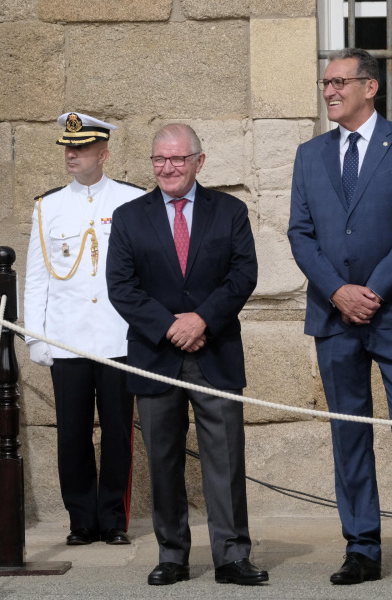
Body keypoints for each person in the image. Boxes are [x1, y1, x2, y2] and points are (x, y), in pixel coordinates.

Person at [288, 48, 392, 586]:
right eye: (325, 82)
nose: (330, 91)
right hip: (334, 317)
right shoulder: (310, 155)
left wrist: (373, 290)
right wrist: (338, 291)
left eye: (340, 81)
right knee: (349, 433)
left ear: (370, 87)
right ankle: (361, 547)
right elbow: (300, 233)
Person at [105, 123, 266, 587]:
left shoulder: (230, 211)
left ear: (199, 160)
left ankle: (232, 556)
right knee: (163, 460)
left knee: (225, 460)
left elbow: (243, 274)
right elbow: (121, 287)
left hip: (215, 352)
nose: (168, 168)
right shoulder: (130, 216)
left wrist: (202, 320)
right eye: (160, 160)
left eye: (178, 159)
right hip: (156, 355)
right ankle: (172, 554)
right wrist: (171, 326)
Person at [24, 112, 144, 547]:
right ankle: (80, 518)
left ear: (103, 153)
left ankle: (113, 518)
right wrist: (35, 335)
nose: (72, 154)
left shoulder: (133, 201)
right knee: (72, 433)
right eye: (68, 148)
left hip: (117, 337)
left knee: (118, 432)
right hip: (67, 338)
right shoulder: (48, 206)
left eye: (82, 148)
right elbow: (37, 278)